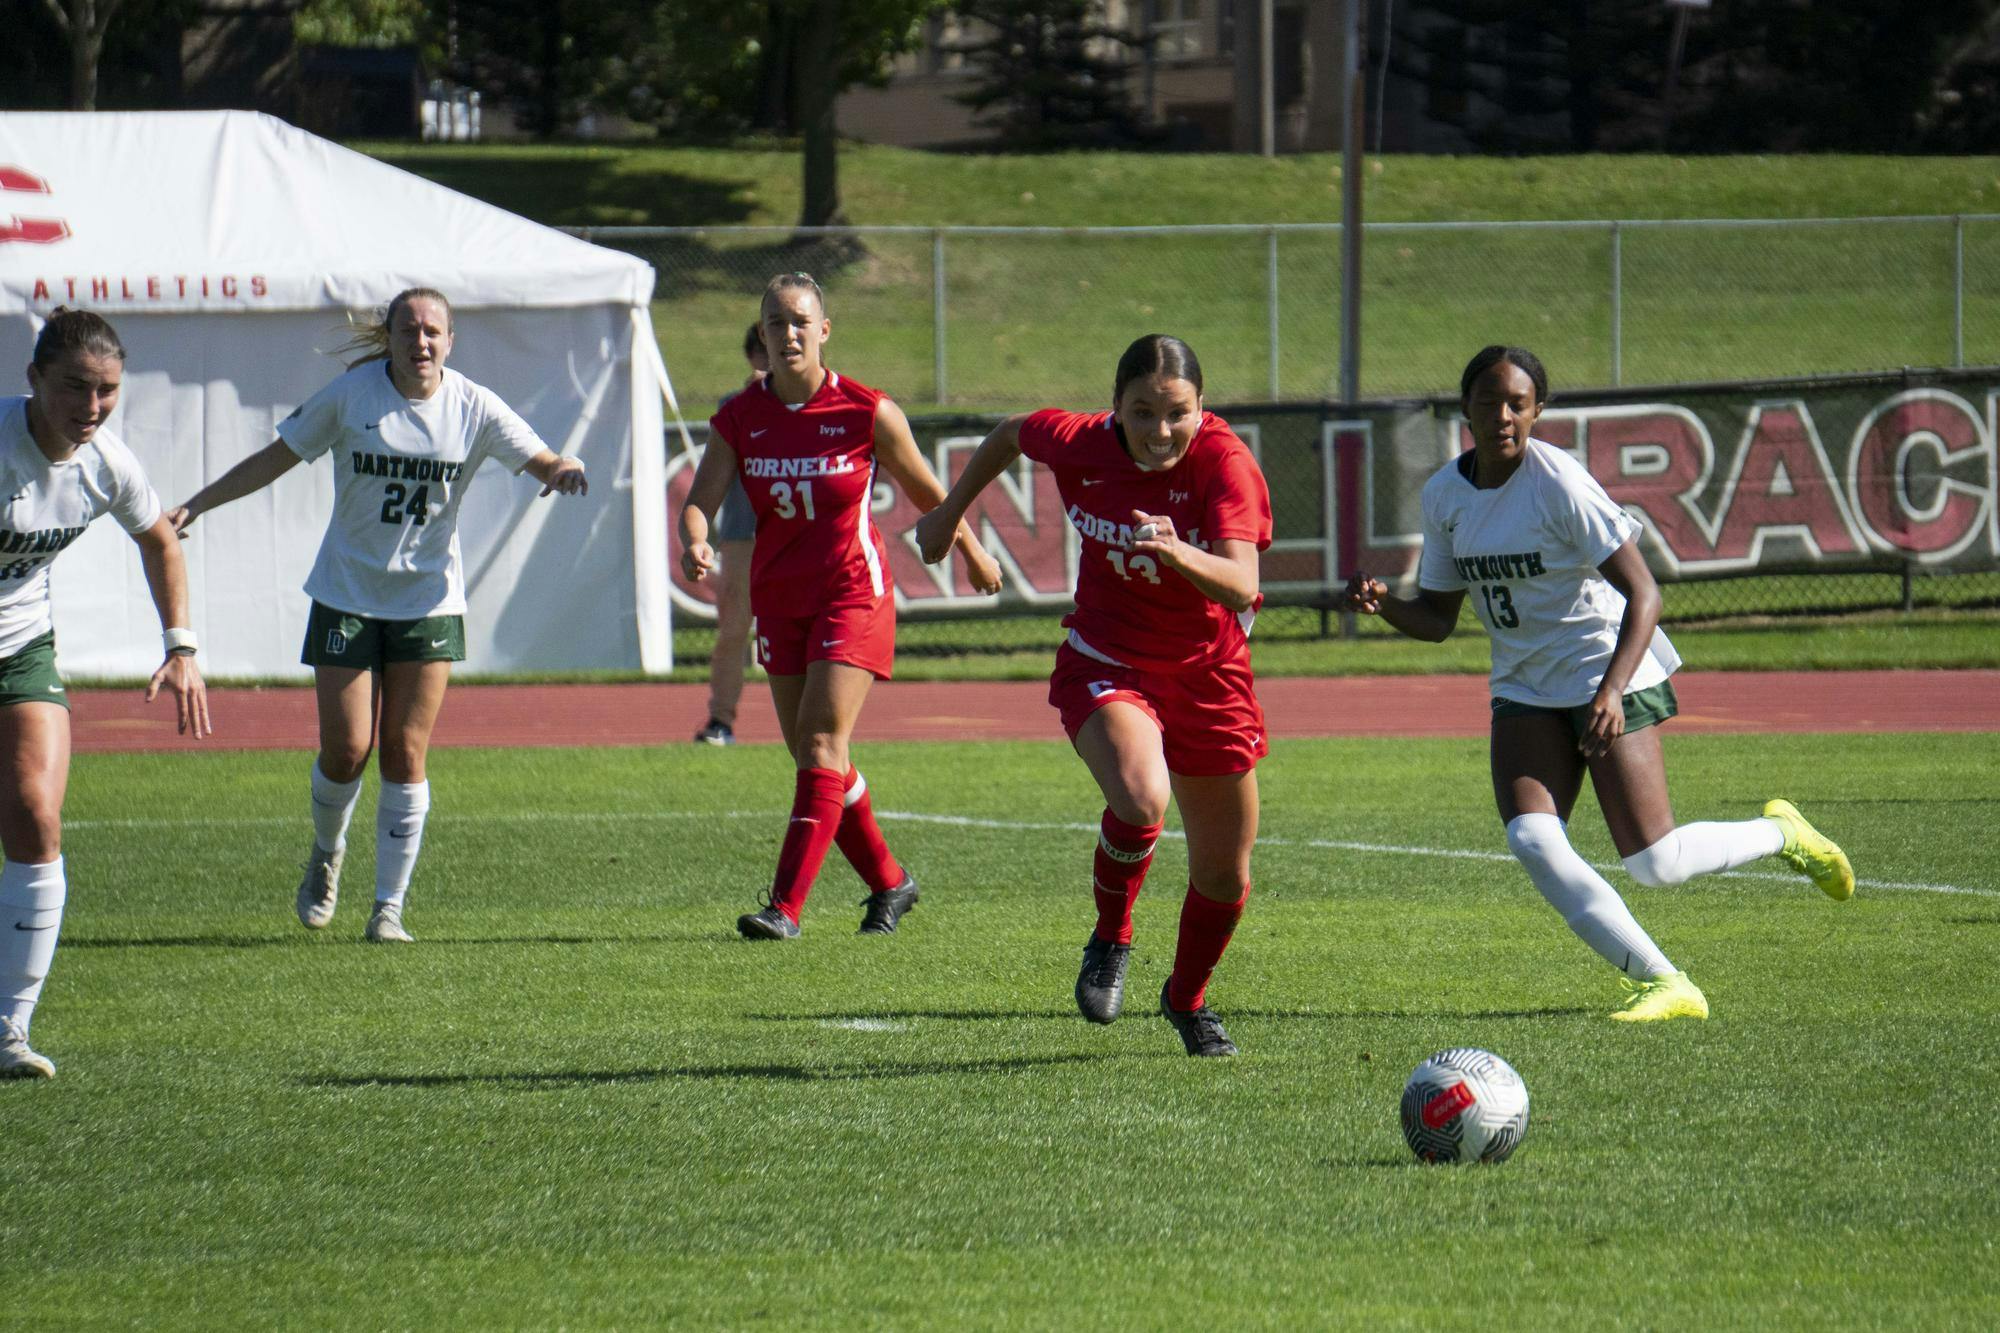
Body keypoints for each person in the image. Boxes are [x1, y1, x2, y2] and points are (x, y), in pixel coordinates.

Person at [1342, 344, 1853, 1023]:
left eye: (1518, 403)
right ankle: (1665, 981)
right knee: (1532, 838)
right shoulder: (1444, 495)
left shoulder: (1558, 483)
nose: (1502, 415)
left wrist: (1611, 691)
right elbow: (1438, 618)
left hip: (1605, 674)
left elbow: (1643, 594)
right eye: (1488, 401)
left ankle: (1781, 834)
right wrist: (1383, 604)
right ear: (1464, 409)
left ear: (1538, 410)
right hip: (1523, 687)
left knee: (1656, 862)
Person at [168, 287, 587, 944]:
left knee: (405, 748)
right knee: (347, 749)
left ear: (451, 342)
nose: (421, 342)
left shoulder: (472, 405)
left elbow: (538, 456)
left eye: (433, 332)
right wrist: (198, 504)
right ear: (388, 337)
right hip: (347, 593)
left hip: (427, 601)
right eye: (409, 329)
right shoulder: (352, 394)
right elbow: (276, 457)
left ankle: (389, 905)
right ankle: (327, 854)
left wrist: (562, 468)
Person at [914, 334, 1272, 1058]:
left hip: (1209, 675)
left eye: (1178, 413)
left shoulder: (1224, 462)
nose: (1160, 431)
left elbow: (1241, 580)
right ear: (1115, 410)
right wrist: (951, 513)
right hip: (1107, 659)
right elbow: (1014, 432)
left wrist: (1176, 550)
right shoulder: (1080, 442)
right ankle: (1112, 934)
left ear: (1203, 409)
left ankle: (1187, 999)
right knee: (1142, 798)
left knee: (1226, 874)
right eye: (1142, 412)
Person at [680, 271, 1003, 939]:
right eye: (776, 322)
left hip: (852, 593)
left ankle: (785, 907)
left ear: (824, 330)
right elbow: (698, 502)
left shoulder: (866, 410)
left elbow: (928, 489)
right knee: (815, 754)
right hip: (781, 599)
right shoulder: (740, 417)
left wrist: (972, 550)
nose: (788, 333)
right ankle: (891, 882)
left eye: (800, 320)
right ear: (762, 336)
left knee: (823, 740)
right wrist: (695, 542)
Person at [1, 308, 211, 1079]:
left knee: (35, 813)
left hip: (20, 649)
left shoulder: (107, 464)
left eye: (107, 390)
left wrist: (180, 645)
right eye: (74, 388)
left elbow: (159, 538)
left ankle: (9, 1029)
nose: (91, 406)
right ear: (33, 380)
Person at [693, 323, 770, 746]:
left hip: (796, 538)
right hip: (743, 535)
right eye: (762, 352)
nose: (770, 361)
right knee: (734, 630)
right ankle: (721, 720)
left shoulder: (812, 402)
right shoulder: (735, 406)